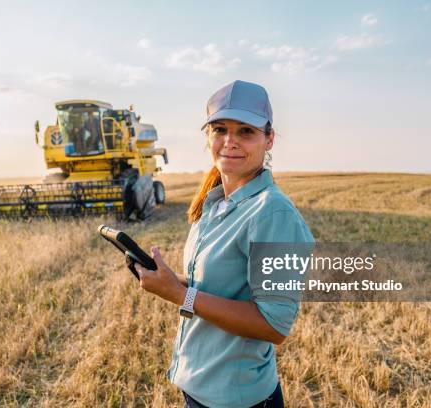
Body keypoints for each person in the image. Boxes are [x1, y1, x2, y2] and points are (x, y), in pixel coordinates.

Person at [134, 80, 315, 407]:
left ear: (269, 138)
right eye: (220, 129)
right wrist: (175, 282)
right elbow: (222, 288)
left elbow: (273, 325)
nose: (230, 141)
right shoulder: (214, 203)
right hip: (200, 388)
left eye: (245, 131)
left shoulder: (274, 214)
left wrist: (180, 295)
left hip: (238, 399)